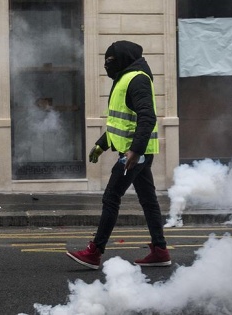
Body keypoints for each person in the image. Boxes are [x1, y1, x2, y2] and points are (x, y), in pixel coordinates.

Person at [66, 40, 170, 270]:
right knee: (148, 200)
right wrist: (101, 145)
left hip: (134, 154)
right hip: (136, 152)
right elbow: (118, 122)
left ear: (123, 59)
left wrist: (135, 151)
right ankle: (160, 250)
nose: (106, 66)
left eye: (110, 62)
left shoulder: (137, 79)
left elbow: (147, 117)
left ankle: (94, 252)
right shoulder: (126, 77)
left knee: (111, 197)